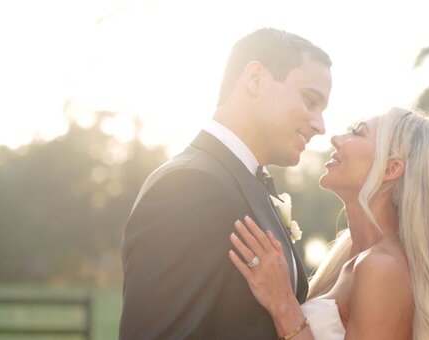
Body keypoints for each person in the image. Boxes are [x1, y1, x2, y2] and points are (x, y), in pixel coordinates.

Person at [230, 108, 429, 339]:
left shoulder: (383, 267)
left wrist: (283, 303)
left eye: (357, 133)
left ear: (391, 168)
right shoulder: (349, 255)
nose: (336, 139)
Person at [119, 28, 332, 339]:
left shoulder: (244, 181)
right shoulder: (190, 186)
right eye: (310, 100)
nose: (320, 125)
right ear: (255, 78)